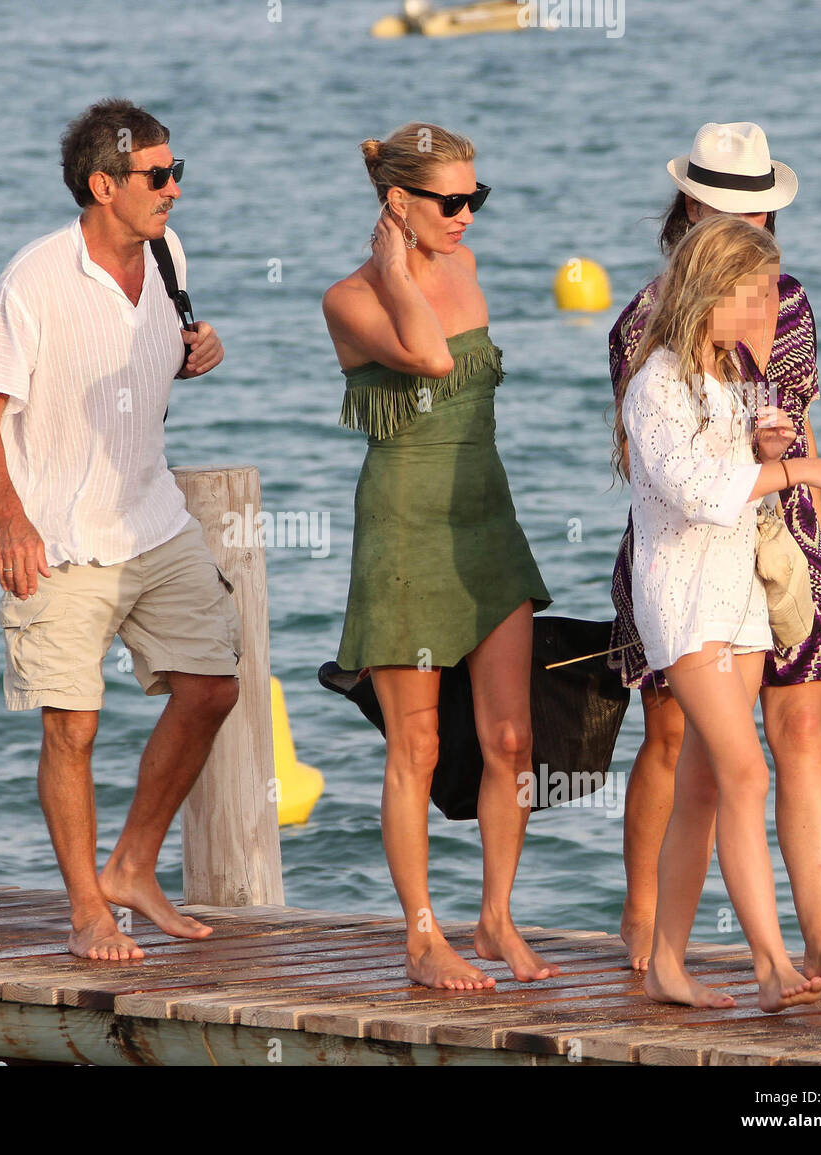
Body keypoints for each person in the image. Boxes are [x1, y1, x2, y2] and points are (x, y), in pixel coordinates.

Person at [0, 99, 239, 962]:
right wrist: (6, 516)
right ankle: (87, 909)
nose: (174, 191)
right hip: (57, 535)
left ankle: (131, 866)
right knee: (72, 724)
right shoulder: (33, 280)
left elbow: (135, 372)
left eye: (175, 171)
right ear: (103, 185)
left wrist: (199, 351)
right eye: (157, 177)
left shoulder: (166, 256)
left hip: (153, 519)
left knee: (213, 686)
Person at [609, 122, 821, 981]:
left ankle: (819, 938)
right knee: (679, 743)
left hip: (783, 523)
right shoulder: (643, 331)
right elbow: (672, 469)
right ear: (690, 207)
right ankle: (651, 931)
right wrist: (784, 460)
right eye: (734, 209)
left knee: (798, 725)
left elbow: (796, 424)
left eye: (761, 209)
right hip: (688, 548)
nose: (753, 225)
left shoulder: (791, 301)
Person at [324, 123, 554, 991]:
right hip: (405, 529)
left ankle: (495, 916)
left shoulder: (465, 267)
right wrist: (391, 270)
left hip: (485, 520)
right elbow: (423, 355)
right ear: (397, 202)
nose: (465, 216)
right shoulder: (349, 297)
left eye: (475, 198)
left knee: (512, 736)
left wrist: (420, 261)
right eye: (448, 201)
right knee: (414, 747)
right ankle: (423, 935)